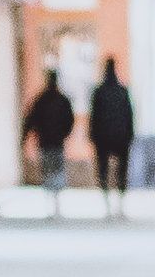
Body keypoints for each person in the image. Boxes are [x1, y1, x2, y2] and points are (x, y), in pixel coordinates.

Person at [87, 60, 136, 215]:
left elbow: (94, 117)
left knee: (103, 170)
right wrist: (129, 134)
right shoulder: (122, 91)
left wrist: (93, 135)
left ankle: (107, 202)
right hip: (121, 137)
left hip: (103, 138)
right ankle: (120, 203)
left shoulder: (99, 92)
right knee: (121, 170)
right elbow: (129, 115)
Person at [24, 69, 75, 208]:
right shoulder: (62, 100)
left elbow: (31, 119)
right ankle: (55, 197)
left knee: (47, 168)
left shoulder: (41, 99)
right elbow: (69, 120)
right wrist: (64, 134)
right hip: (57, 141)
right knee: (57, 167)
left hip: (45, 140)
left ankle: (49, 197)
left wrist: (26, 136)